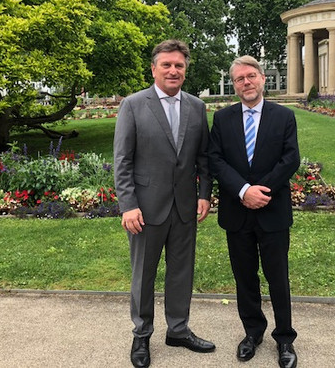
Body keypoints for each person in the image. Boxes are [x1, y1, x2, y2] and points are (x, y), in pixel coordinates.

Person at [113, 39, 215, 368]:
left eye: (179, 66)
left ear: (185, 70)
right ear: (154, 68)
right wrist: (128, 204)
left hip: (184, 207)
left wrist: (203, 194)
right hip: (145, 208)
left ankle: (178, 330)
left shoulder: (196, 107)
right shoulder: (133, 105)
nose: (173, 70)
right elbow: (122, 161)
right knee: (143, 274)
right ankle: (142, 334)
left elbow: (204, 159)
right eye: (167, 65)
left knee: (181, 272)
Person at [209, 55, 300, 368]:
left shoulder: (284, 116)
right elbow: (216, 160)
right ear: (234, 85)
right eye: (239, 79)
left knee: (278, 278)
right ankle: (252, 332)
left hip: (272, 210)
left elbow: (290, 160)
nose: (245, 82)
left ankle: (285, 339)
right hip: (237, 212)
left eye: (250, 76)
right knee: (244, 278)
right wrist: (243, 191)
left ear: (263, 78)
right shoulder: (222, 119)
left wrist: (260, 191)